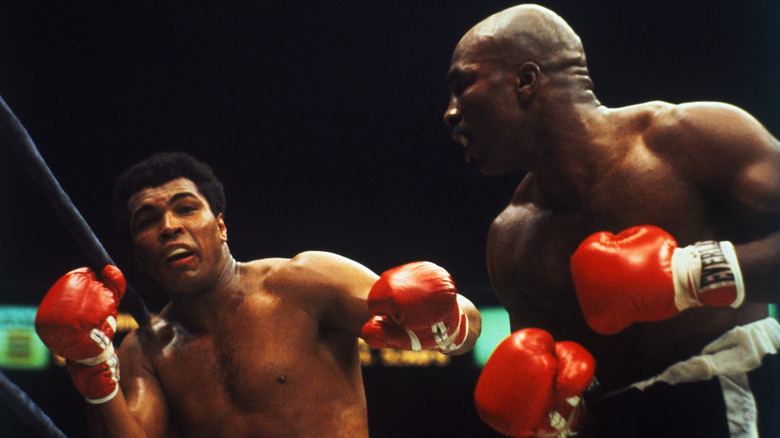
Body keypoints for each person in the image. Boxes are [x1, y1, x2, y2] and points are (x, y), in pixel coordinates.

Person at [443, 4, 780, 437]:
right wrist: (561, 419)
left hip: (737, 401)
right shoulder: (510, 242)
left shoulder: (688, 137)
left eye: (462, 85)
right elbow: (562, 399)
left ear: (525, 81)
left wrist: (685, 276)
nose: (450, 113)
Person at [34, 152, 482, 438]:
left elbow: (468, 330)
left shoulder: (304, 281)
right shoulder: (146, 351)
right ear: (138, 252)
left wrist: (449, 320)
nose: (169, 226)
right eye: (148, 221)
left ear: (221, 226)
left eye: (186, 208)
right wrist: (92, 371)